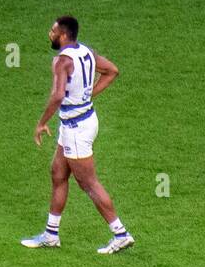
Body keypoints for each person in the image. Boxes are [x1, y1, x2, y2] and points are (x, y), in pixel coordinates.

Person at [20, 16, 135, 254]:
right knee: (58, 172)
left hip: (75, 128)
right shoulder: (86, 52)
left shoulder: (61, 62)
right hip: (84, 120)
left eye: (53, 31)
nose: (50, 34)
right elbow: (112, 71)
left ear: (63, 35)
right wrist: (87, 96)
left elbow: (57, 95)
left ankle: (120, 233)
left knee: (88, 183)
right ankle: (51, 234)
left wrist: (41, 123)